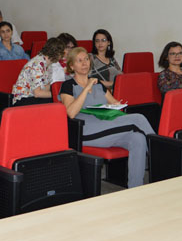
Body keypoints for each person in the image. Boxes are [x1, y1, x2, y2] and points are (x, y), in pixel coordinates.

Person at [59, 47, 155, 188]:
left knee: (138, 138)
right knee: (138, 119)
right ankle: (161, 161)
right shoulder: (68, 86)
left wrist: (113, 107)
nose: (85, 63)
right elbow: (71, 113)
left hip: (106, 126)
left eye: (86, 59)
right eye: (79, 61)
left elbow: (116, 104)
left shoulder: (98, 83)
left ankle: (136, 188)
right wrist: (86, 88)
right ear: (72, 66)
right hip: (85, 132)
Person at [11, 37, 66, 106]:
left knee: (59, 101)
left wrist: (58, 91)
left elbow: (44, 87)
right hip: (23, 99)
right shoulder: (37, 64)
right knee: (57, 102)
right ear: (56, 53)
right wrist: (59, 95)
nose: (63, 56)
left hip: (32, 96)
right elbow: (37, 93)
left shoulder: (48, 64)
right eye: (62, 53)